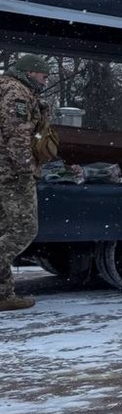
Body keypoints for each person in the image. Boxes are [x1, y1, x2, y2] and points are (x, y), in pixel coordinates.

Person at [0, 55, 52, 312]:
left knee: (4, 229)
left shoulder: (6, 87)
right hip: (10, 173)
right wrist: (24, 170)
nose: (45, 80)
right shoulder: (16, 92)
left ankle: (3, 294)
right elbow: (16, 135)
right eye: (43, 76)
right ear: (31, 72)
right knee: (23, 229)